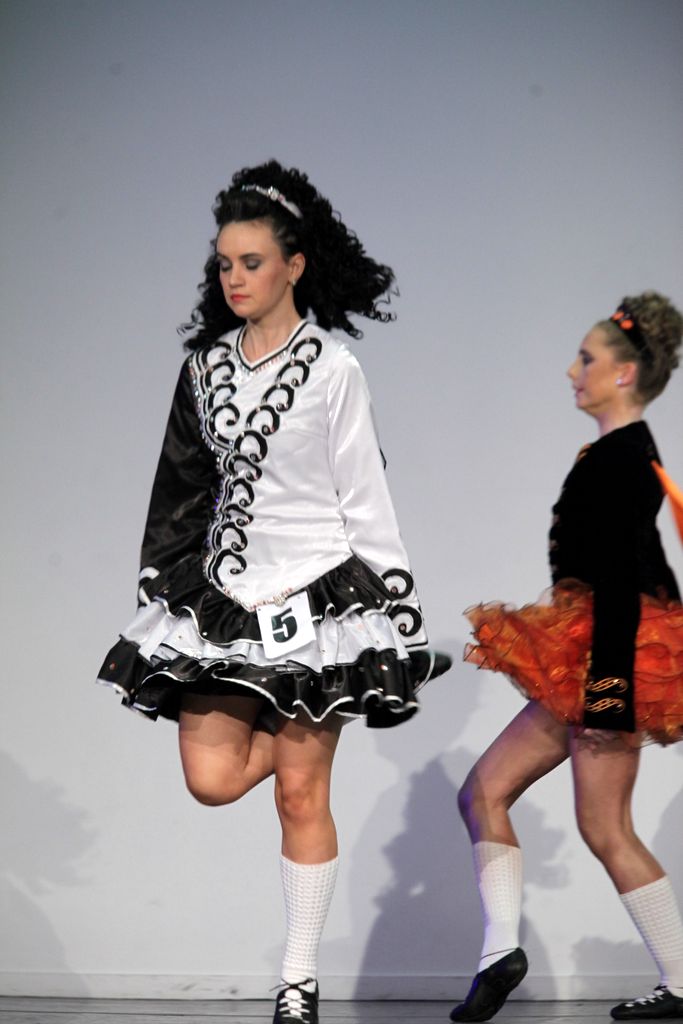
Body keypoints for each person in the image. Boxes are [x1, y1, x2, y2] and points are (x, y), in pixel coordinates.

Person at [97, 160, 448, 1024]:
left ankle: (296, 983)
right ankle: (285, 721)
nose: (234, 277)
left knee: (300, 793)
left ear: (294, 264)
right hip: (226, 602)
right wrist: (161, 581)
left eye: (251, 262)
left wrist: (394, 618)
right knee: (211, 779)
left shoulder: (333, 368)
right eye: (224, 263)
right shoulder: (203, 369)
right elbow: (179, 490)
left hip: (315, 600)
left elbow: (364, 496)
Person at [452, 292, 683, 1022]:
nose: (571, 371)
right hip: (591, 654)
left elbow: (623, 580)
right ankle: (499, 952)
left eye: (585, 359)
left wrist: (610, 688)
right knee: (483, 792)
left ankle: (682, 983)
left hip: (609, 658)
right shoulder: (618, 453)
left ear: (623, 374)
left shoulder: (623, 459)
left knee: (603, 826)